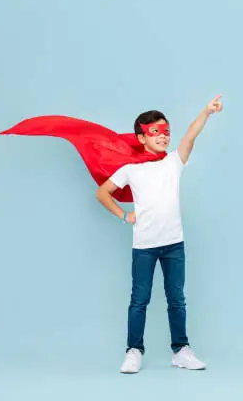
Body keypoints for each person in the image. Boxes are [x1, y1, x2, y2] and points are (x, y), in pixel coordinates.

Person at [95, 95, 224, 373]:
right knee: (139, 299)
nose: (163, 137)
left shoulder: (173, 163)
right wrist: (123, 215)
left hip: (174, 245)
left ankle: (181, 350)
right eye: (155, 132)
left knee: (176, 298)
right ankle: (133, 350)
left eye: (166, 132)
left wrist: (206, 112)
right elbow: (102, 192)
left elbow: (190, 137)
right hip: (145, 246)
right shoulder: (131, 169)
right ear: (141, 137)